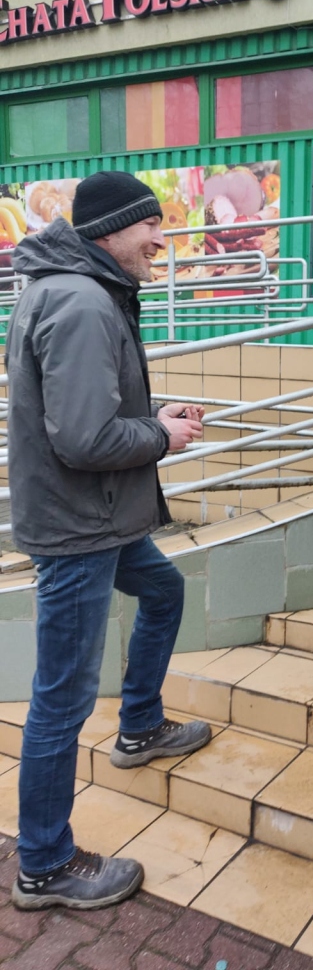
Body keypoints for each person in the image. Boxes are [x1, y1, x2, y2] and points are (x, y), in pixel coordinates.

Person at [6, 171, 213, 911]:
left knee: (164, 592)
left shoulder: (79, 288)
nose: (162, 239)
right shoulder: (82, 300)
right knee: (61, 699)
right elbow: (86, 437)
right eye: (149, 227)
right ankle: (44, 865)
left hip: (100, 516)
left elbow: (87, 410)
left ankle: (140, 727)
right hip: (80, 526)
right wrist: (163, 434)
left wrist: (153, 412)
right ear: (110, 231)